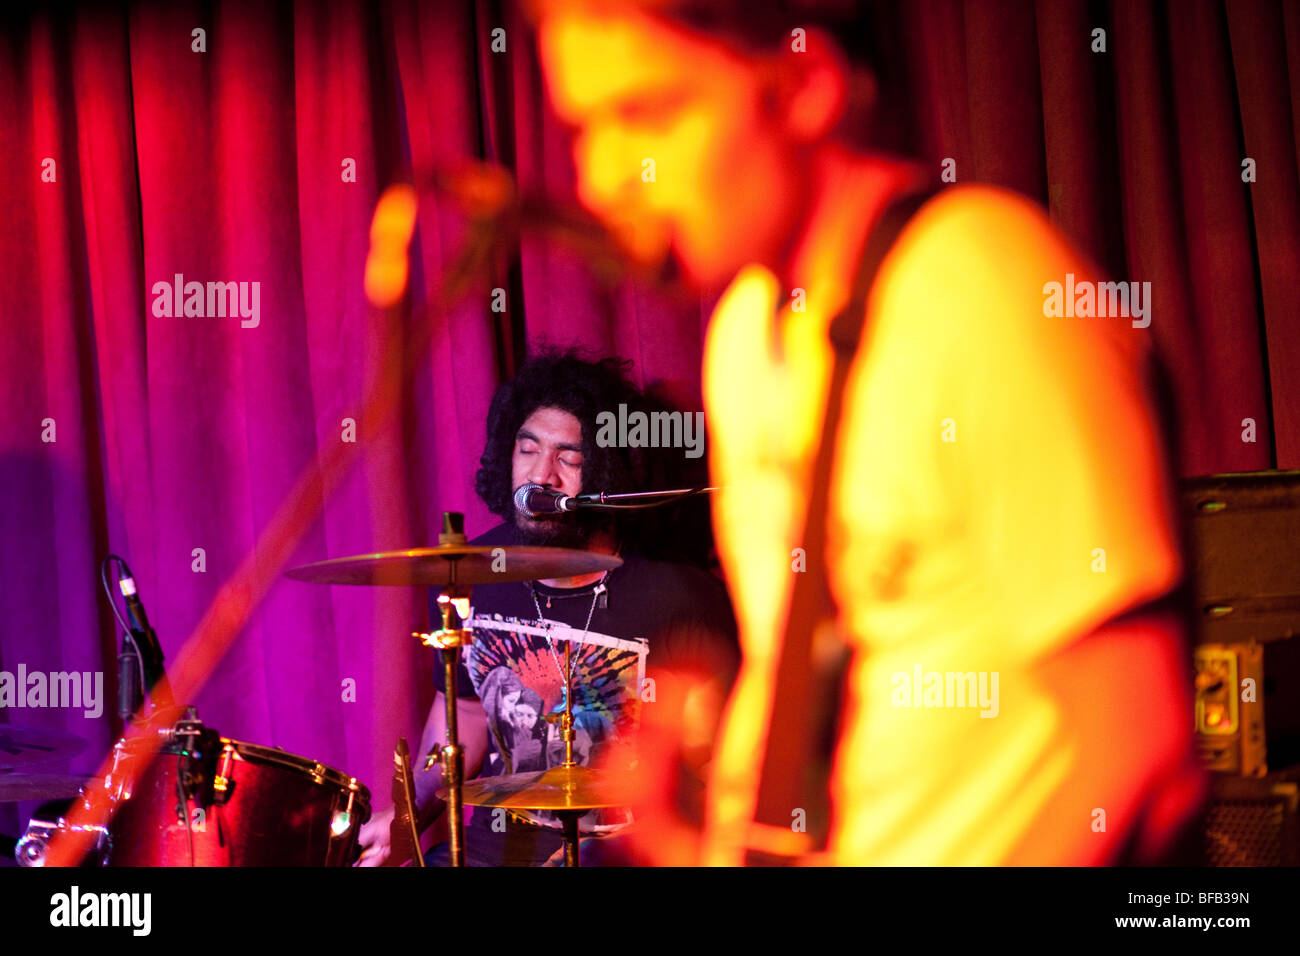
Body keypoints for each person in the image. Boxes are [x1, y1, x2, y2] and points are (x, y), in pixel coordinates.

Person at [530, 0, 1207, 865]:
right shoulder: (746, 331)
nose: (599, 180)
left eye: (646, 114)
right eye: (586, 129)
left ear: (807, 84)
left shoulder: (984, 291)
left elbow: (1141, 756)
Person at [356, 350, 739, 866]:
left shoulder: (682, 600)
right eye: (527, 450)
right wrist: (409, 814)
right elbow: (465, 714)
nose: (542, 476)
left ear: (608, 471)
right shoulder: (465, 574)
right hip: (487, 854)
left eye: (570, 458)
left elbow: (722, 772)